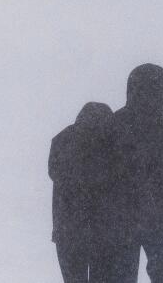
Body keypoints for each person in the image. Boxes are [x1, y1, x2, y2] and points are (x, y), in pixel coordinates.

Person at [108, 63, 163, 283]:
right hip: (153, 215)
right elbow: (156, 166)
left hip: (128, 216)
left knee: (125, 274)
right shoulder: (162, 121)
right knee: (162, 273)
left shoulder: (120, 122)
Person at [49, 102, 124, 282]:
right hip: (103, 232)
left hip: (68, 232)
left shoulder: (61, 139)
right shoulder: (111, 142)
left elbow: (54, 173)